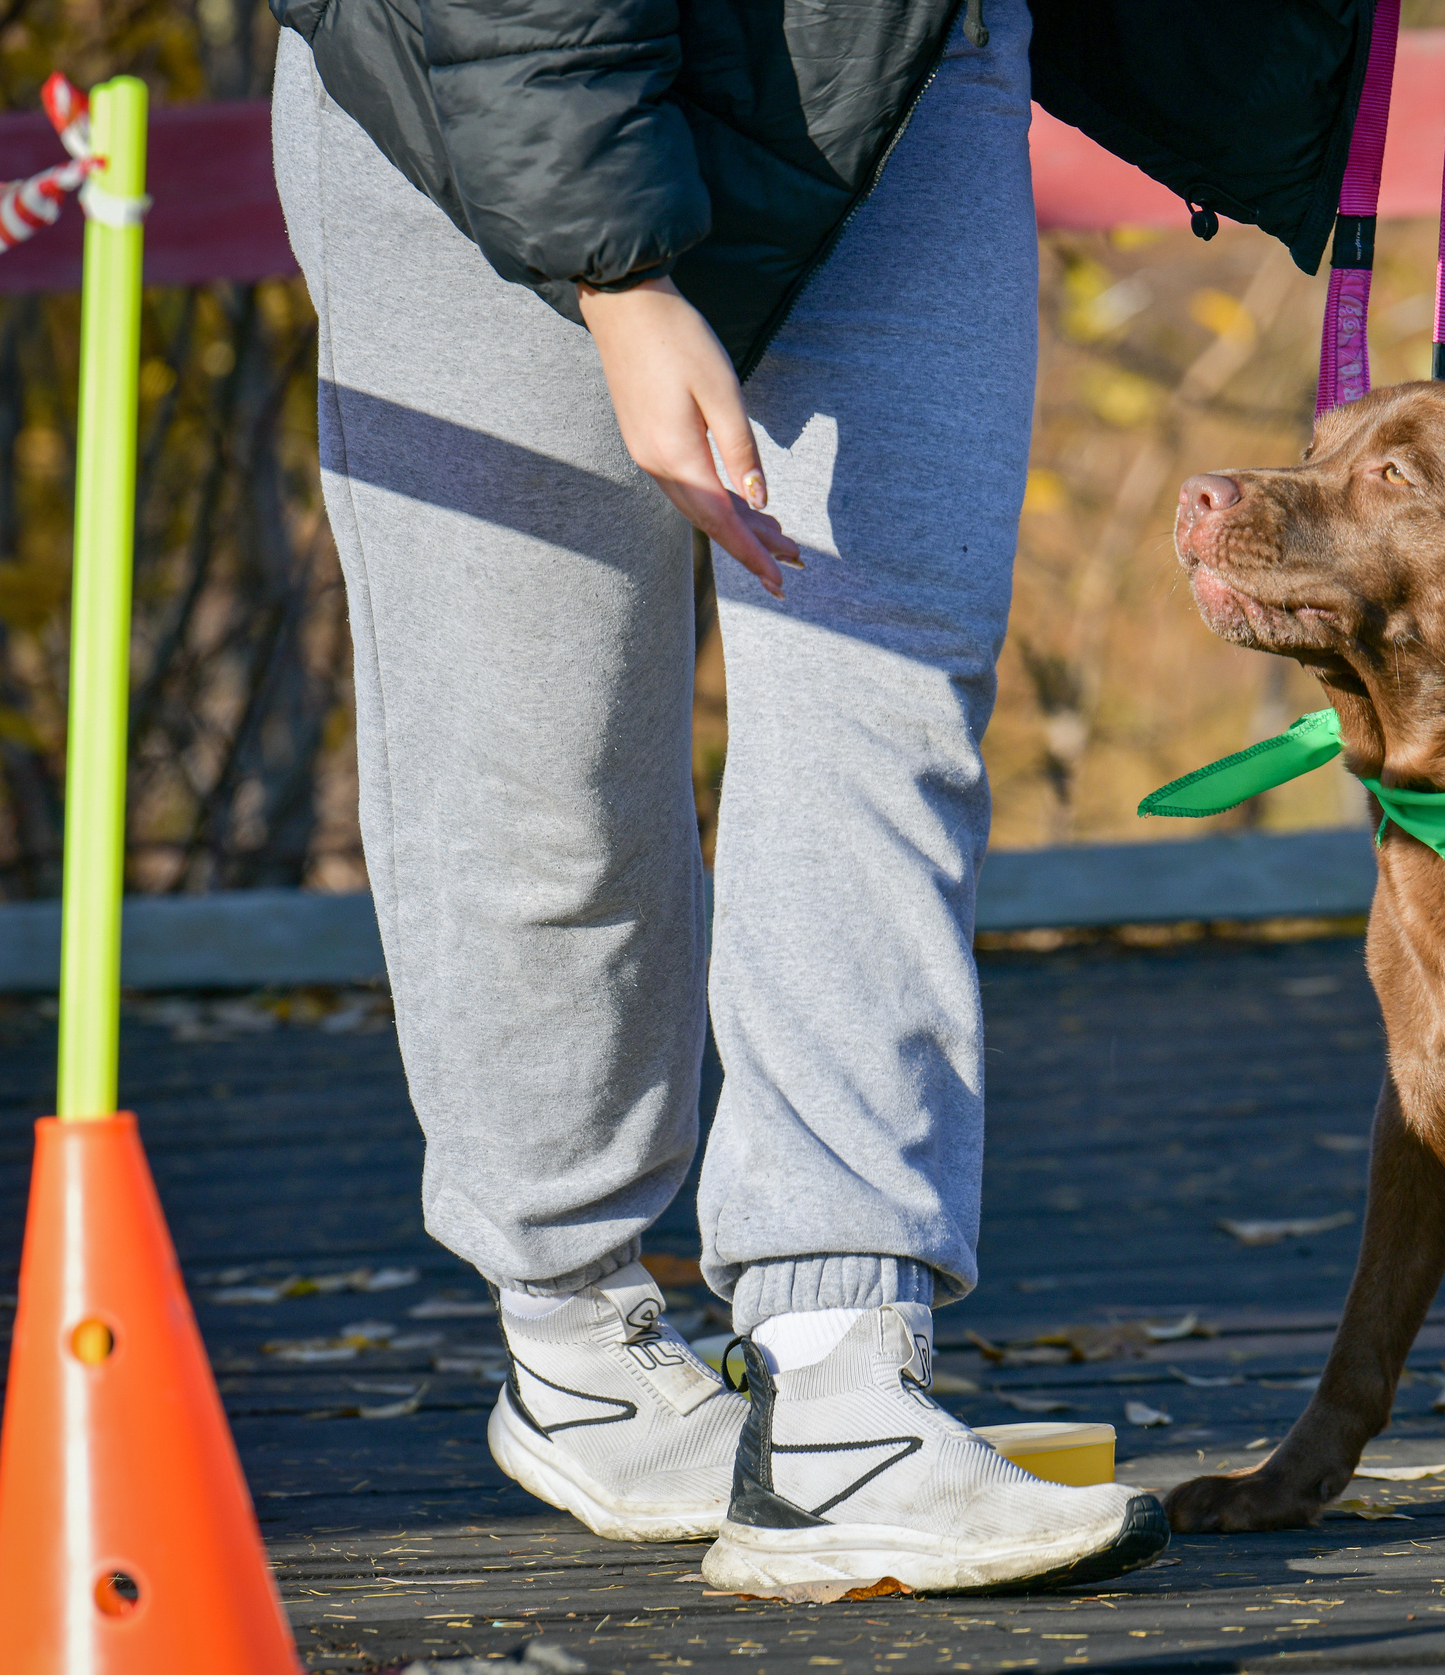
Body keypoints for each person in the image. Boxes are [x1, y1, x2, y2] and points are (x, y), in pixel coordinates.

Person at [266, 0, 1372, 1591]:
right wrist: (618, 276)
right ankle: (577, 1329)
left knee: (888, 694)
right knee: (538, 754)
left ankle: (845, 1379)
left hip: (908, 63)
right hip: (475, 93)